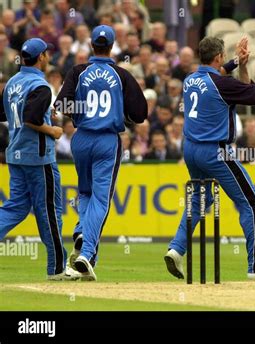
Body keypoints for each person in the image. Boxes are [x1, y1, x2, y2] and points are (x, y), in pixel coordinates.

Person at [164, 37, 255, 281]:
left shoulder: (190, 79)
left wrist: (237, 62)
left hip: (190, 149)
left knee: (200, 200)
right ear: (219, 57)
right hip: (215, 151)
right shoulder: (222, 84)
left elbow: (217, 73)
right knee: (252, 202)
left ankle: (176, 249)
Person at [54, 25, 147, 281]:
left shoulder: (78, 71)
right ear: (112, 46)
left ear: (92, 46)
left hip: (81, 138)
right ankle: (86, 253)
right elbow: (140, 113)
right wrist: (119, 111)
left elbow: (60, 104)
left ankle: (83, 229)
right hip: (107, 140)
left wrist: (82, 112)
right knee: (101, 198)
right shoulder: (121, 75)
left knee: (85, 192)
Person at [0, 38, 79, 280]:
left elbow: (7, 113)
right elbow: (31, 118)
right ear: (41, 57)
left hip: (16, 155)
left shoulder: (13, 82)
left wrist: (44, 113)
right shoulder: (40, 85)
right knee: (50, 212)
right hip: (38, 158)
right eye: (46, 54)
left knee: (17, 207)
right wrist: (53, 130)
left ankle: (56, 265)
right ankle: (56, 268)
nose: (48, 57)